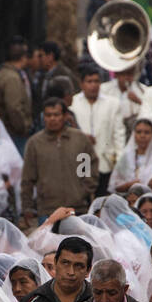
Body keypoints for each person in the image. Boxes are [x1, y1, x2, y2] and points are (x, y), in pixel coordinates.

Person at [20, 98, 98, 228]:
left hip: (78, 209)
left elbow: (89, 170)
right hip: (48, 210)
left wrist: (82, 193)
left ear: (65, 116)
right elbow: (27, 179)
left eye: (56, 115)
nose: (52, 119)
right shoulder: (35, 144)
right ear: (43, 117)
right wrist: (26, 207)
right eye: (48, 115)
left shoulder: (80, 140)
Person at [70, 66, 126, 197]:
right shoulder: (73, 103)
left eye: (96, 81)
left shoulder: (113, 104)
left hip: (105, 161)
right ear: (82, 84)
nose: (93, 85)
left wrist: (119, 161)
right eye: (89, 82)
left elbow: (119, 134)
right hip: (81, 161)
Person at [0, 39, 34, 153]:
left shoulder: (3, 73)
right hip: (14, 134)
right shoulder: (12, 78)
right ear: (23, 57)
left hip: (8, 131)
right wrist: (23, 127)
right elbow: (14, 108)